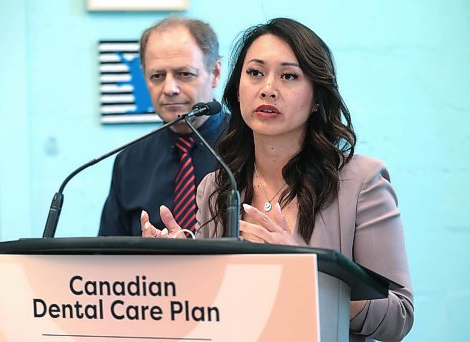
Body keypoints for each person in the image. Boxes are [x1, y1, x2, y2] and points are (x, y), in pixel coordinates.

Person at [141, 18, 414, 341]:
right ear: (237, 90)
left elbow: (399, 317)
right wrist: (183, 264)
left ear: (316, 99)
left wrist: (307, 270)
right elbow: (214, 311)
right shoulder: (216, 186)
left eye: (289, 76)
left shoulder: (362, 181)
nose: (268, 88)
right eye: (255, 73)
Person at [99, 16, 228, 236]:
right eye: (157, 76)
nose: (169, 88)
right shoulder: (130, 159)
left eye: (184, 74)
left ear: (214, 74)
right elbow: (106, 255)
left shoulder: (251, 146)